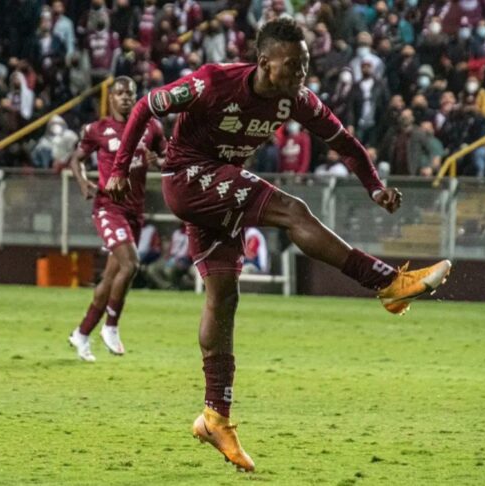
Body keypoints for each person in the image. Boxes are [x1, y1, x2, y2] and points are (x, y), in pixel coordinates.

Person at [105, 18, 452, 472]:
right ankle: (386, 283)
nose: (301, 73)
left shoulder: (296, 98)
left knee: (223, 296)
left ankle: (215, 418)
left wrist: (375, 187)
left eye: (305, 64)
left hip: (218, 185)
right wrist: (119, 167)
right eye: (292, 65)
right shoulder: (213, 82)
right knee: (292, 211)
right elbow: (146, 106)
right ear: (264, 61)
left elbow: (344, 142)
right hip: (187, 177)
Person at [67, 76, 166, 362]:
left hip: (134, 211)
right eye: (120, 93)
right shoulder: (98, 129)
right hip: (108, 207)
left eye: (129, 93)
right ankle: (111, 325)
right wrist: (83, 183)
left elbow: (169, 158)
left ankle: (82, 333)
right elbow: (75, 159)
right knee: (131, 264)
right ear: (110, 97)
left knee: (111, 278)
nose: (125, 97)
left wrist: (158, 162)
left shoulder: (151, 128)